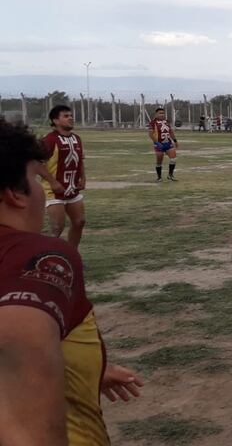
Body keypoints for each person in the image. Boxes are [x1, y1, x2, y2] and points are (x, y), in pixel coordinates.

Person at [0, 119, 143, 445]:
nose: (41, 189)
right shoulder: (36, 254)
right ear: (15, 194)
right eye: (36, 178)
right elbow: (19, 343)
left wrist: (80, 367)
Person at [36, 106, 87, 248]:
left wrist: (83, 178)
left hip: (72, 189)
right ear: (55, 120)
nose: (71, 118)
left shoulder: (77, 139)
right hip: (53, 191)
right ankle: (47, 256)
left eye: (71, 115)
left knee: (79, 222)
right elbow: (37, 164)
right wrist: (53, 182)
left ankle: (72, 255)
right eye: (66, 116)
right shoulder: (49, 140)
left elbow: (79, 160)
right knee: (57, 227)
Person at [148, 107, 178, 182]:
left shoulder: (166, 122)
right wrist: (157, 143)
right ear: (156, 114)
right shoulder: (152, 123)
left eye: (163, 113)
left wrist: (175, 140)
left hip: (168, 143)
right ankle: (159, 177)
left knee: (173, 159)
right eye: (160, 113)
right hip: (159, 144)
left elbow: (170, 132)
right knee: (159, 162)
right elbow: (151, 134)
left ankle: (170, 175)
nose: (162, 115)